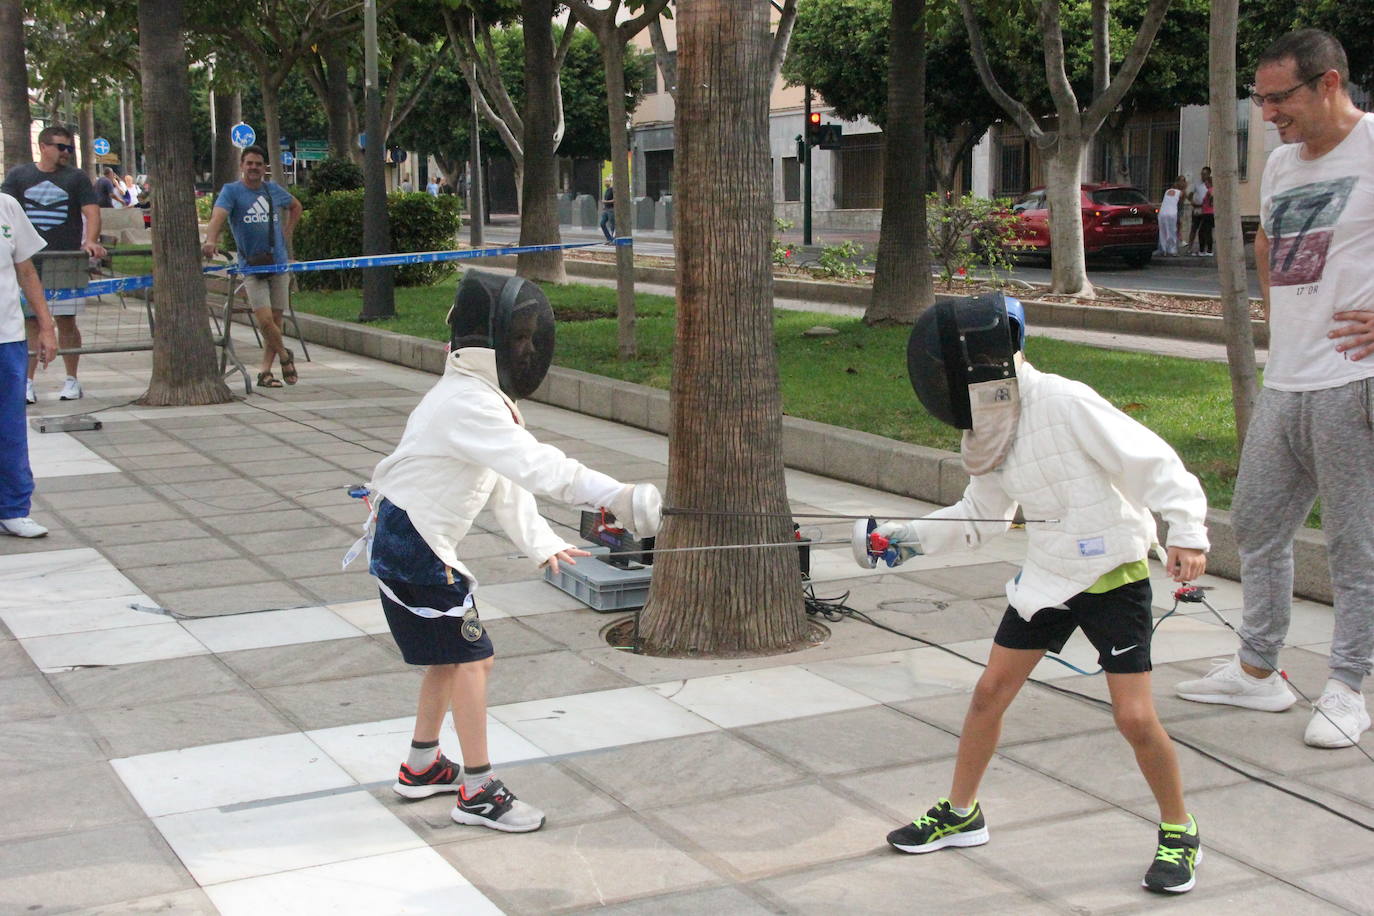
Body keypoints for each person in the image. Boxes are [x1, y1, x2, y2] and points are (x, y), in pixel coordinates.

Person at [875, 293, 1210, 894]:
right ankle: (962, 813)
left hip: (1111, 573)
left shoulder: (1065, 400)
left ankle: (1179, 829)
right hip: (1049, 576)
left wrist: (1187, 532)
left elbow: (1154, 462)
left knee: (1134, 718)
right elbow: (983, 513)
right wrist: (908, 540)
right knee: (988, 694)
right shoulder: (986, 423)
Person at [354, 269, 662, 833]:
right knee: (473, 658)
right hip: (415, 545)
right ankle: (478, 791)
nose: (527, 348)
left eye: (530, 337)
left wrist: (541, 543)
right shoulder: (467, 403)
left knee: (452, 658)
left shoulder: (474, 396)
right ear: (489, 343)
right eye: (517, 339)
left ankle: (421, 767)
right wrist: (614, 495)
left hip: (407, 537)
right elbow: (537, 466)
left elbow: (505, 479)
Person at [1175, 29, 1374, 749]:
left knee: (1357, 548)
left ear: (1327, 83)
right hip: (1288, 379)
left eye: (1277, 97)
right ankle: (1258, 673)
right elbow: (1267, 241)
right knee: (1257, 525)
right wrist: (1281, 311)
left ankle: (1349, 688)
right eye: (1258, 99)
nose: (1266, 114)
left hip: (1356, 382)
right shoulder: (1286, 163)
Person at [2, 125, 105, 404]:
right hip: (29, 259)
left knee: (66, 319)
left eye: (70, 148)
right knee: (32, 321)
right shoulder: (19, 176)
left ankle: (72, 379)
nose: (67, 153)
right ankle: (27, 382)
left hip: (64, 257)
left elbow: (91, 211)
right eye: (61, 147)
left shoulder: (77, 178)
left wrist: (91, 240)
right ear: (44, 147)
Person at [201, 145, 303, 389]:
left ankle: (265, 372)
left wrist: (287, 233)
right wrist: (211, 239)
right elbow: (218, 216)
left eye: (259, 164)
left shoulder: (273, 190)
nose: (254, 168)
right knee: (265, 321)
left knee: (276, 321)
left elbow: (296, 206)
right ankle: (286, 357)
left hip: (277, 264)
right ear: (242, 166)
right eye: (250, 163)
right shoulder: (232, 192)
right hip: (251, 267)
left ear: (264, 168)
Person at [0, 192, 57, 537]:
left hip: (7, 337)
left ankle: (13, 508)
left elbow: (26, 270)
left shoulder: (7, 206)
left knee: (9, 427)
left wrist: (46, 326)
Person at [1185, 167, 1211, 254]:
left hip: (1206, 210)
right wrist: (1192, 202)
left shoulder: (1210, 185)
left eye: (1205, 174)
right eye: (1202, 174)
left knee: (1206, 230)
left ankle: (1205, 248)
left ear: (1208, 175)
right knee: (1194, 228)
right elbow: (1189, 195)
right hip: (1197, 209)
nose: (1203, 176)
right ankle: (1190, 247)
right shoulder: (1197, 184)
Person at [1158, 176, 1186, 255]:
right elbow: (1180, 204)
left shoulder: (1167, 191)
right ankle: (1172, 250)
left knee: (1163, 232)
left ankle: (1163, 249)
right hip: (1172, 213)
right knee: (1172, 231)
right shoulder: (1181, 192)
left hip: (1162, 212)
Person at [1195, 174, 1215, 256]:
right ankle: (1207, 250)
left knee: (1203, 232)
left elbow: (1212, 197)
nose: (1205, 185)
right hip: (1207, 213)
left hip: (1208, 213)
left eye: (1207, 183)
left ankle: (1203, 250)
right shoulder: (1211, 190)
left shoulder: (1210, 190)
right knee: (1207, 231)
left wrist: (1210, 202)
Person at [599, 177, 615, 242]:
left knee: (612, 225)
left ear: (610, 182)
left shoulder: (612, 190)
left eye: (607, 181)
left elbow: (615, 200)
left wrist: (606, 202)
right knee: (602, 223)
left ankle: (613, 239)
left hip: (611, 209)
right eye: (604, 181)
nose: (605, 183)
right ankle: (609, 238)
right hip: (606, 209)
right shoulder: (606, 190)